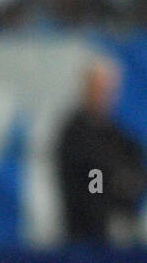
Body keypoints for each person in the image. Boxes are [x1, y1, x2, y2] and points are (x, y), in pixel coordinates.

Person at [57, 56, 147, 246]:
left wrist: (126, 184)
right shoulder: (76, 132)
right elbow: (93, 176)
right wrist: (112, 185)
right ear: (85, 89)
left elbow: (134, 170)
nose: (103, 94)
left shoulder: (116, 134)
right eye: (98, 88)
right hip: (85, 234)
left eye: (107, 89)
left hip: (119, 229)